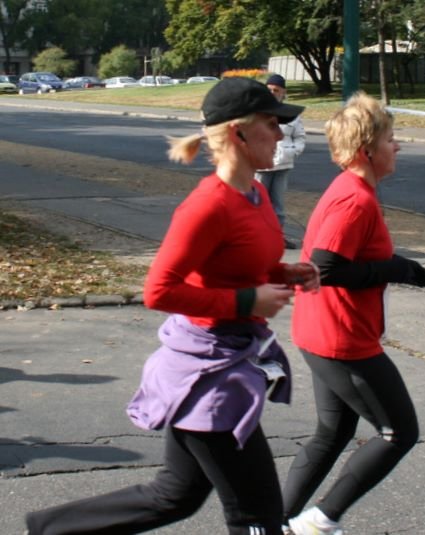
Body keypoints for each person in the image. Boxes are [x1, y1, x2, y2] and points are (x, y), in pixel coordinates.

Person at [25, 76, 320, 535]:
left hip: (232, 356)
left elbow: (240, 266)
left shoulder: (257, 195)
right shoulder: (208, 206)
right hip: (207, 372)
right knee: (258, 515)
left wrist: (283, 274)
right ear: (239, 132)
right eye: (272, 124)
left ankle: (46, 530)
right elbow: (158, 291)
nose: (281, 135)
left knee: (174, 496)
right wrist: (248, 299)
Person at [283, 91, 425, 535]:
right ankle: (318, 521)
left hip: (322, 331)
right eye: (391, 139)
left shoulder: (353, 188)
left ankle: (273, 525)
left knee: (332, 432)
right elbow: (327, 266)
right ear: (368, 149)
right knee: (398, 432)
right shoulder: (355, 198)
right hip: (341, 340)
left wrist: (395, 268)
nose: (398, 146)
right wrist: (397, 268)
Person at [256, 73, 306, 250]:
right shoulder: (258, 111)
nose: (273, 93)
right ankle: (260, 237)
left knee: (278, 204)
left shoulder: (290, 115)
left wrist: (292, 152)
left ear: (283, 92)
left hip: (283, 165)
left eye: (276, 90)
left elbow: (300, 137)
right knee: (259, 202)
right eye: (269, 89)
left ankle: (278, 237)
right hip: (262, 166)